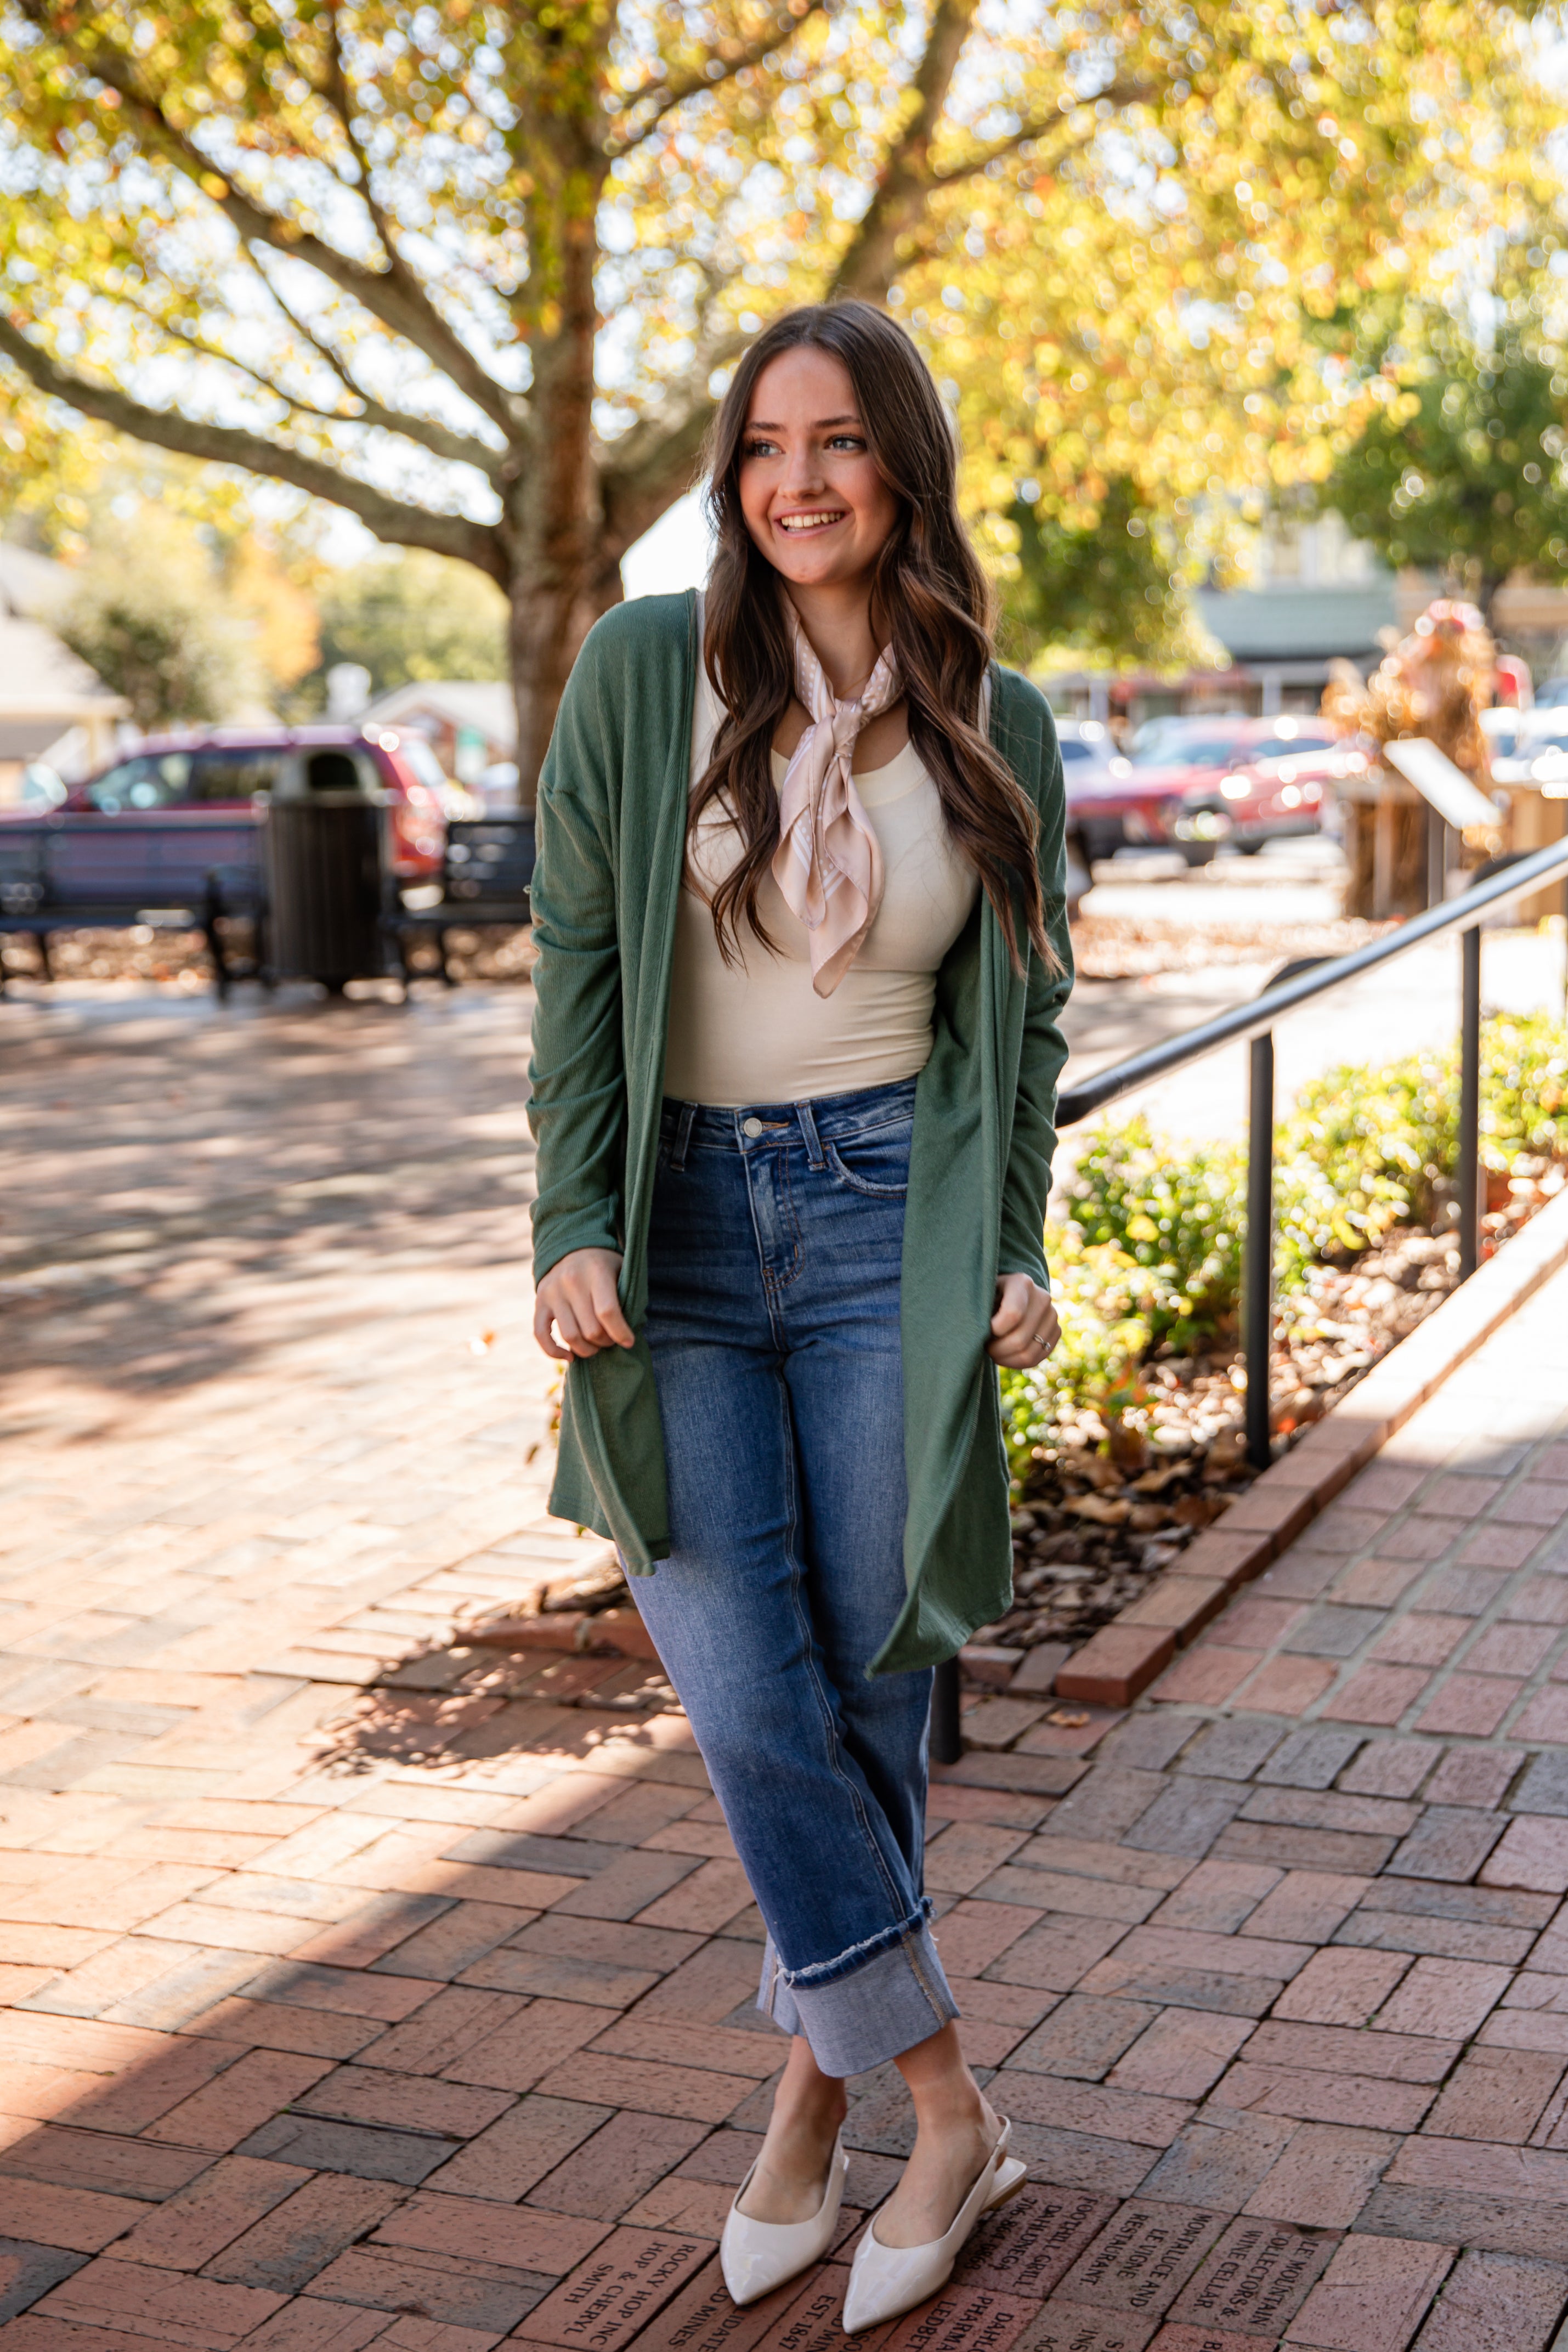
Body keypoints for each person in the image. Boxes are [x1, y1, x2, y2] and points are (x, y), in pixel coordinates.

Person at [527, 299, 1072, 2332]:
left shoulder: (993, 721)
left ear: (900, 465)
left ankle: (804, 2118)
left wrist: (1011, 1244)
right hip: (672, 1233)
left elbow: (1024, 1032)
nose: (796, 481)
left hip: (880, 1229)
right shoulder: (646, 666)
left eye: (837, 441)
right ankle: (941, 2103)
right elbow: (578, 958)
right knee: (748, 1699)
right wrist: (567, 1217)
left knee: (857, 1696)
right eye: (763, 445)